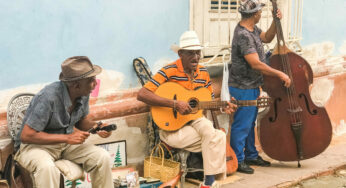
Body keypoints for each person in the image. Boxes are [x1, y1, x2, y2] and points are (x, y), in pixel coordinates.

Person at [137, 31, 236, 188]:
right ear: (180, 53)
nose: (196, 57)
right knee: (217, 137)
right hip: (172, 129)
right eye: (190, 53)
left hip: (195, 121)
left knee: (211, 131)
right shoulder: (168, 71)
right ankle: (209, 182)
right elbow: (142, 94)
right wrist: (175, 104)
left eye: (198, 52)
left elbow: (209, 101)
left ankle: (208, 182)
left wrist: (224, 106)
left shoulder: (203, 72)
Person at [14, 56, 114, 188]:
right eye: (91, 80)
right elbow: (27, 135)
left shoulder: (83, 92)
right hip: (35, 146)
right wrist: (67, 138)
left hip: (64, 145)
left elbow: (81, 121)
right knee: (46, 168)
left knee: (103, 157)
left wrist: (97, 126)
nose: (95, 84)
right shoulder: (48, 97)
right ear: (76, 85)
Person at [228, 0, 291, 174]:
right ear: (255, 14)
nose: (261, 14)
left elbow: (268, 37)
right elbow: (255, 63)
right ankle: (238, 160)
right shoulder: (243, 35)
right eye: (260, 12)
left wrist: (275, 21)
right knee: (242, 125)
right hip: (242, 87)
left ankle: (251, 155)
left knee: (249, 123)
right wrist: (280, 74)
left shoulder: (252, 29)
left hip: (252, 85)